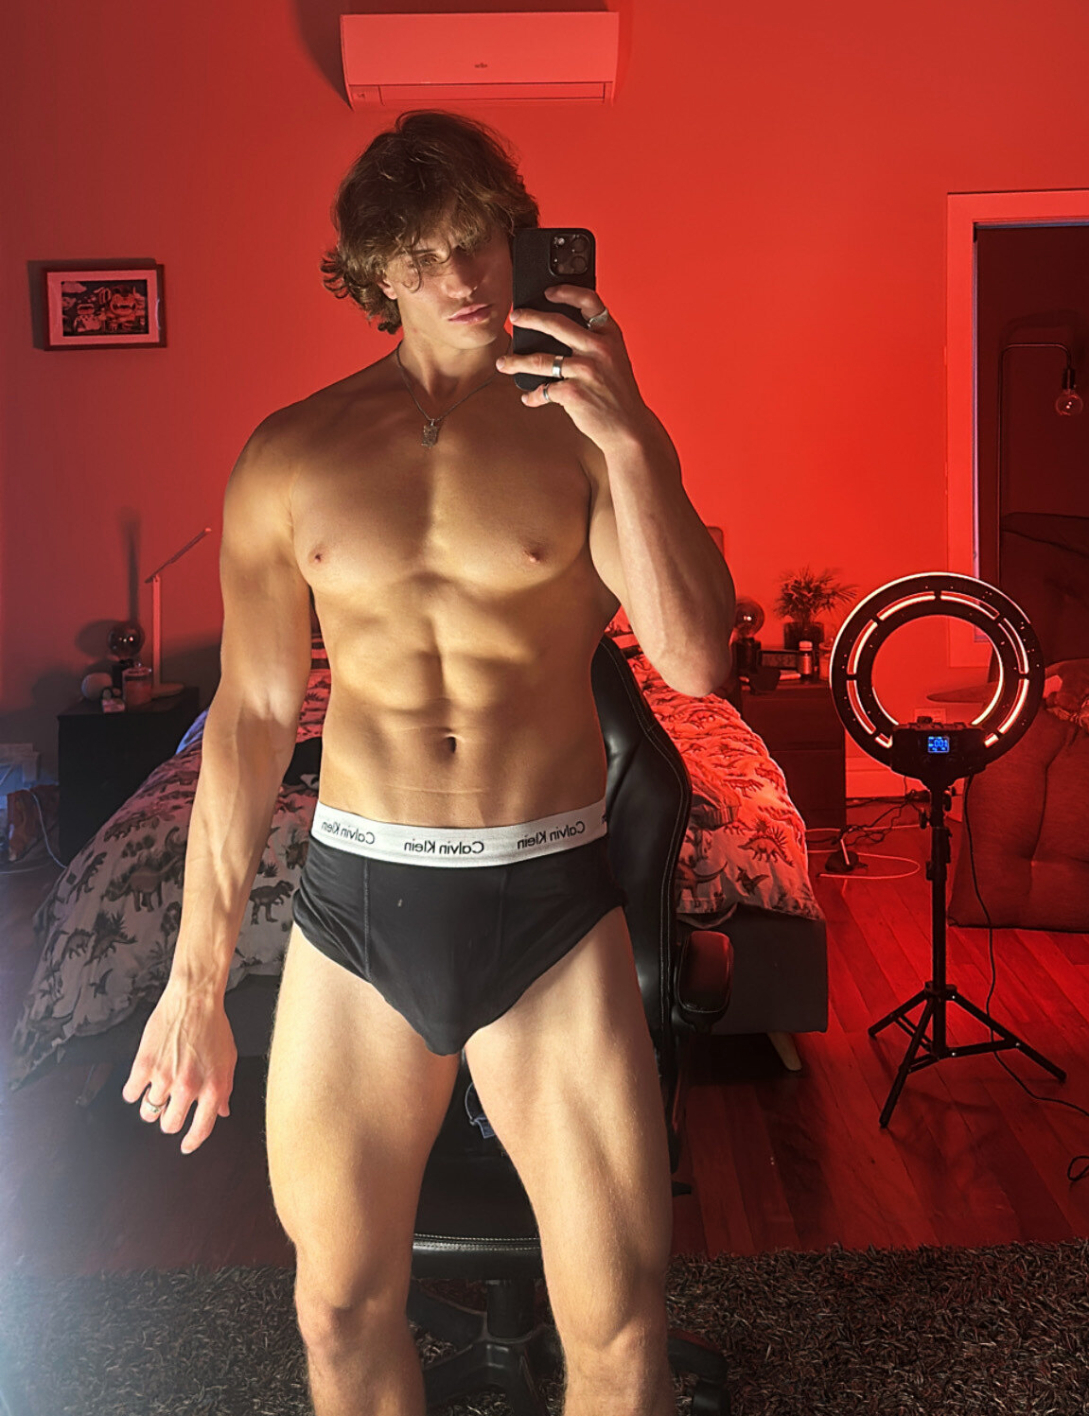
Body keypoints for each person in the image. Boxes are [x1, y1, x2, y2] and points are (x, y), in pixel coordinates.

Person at [123, 110, 734, 1416]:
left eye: (477, 238)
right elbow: (250, 715)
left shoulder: (591, 431)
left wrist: (630, 432)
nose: (459, 275)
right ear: (373, 276)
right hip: (361, 909)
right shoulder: (291, 454)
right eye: (420, 254)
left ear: (515, 237)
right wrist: (194, 982)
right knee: (338, 1309)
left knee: (619, 1325)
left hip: (549, 907)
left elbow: (694, 661)